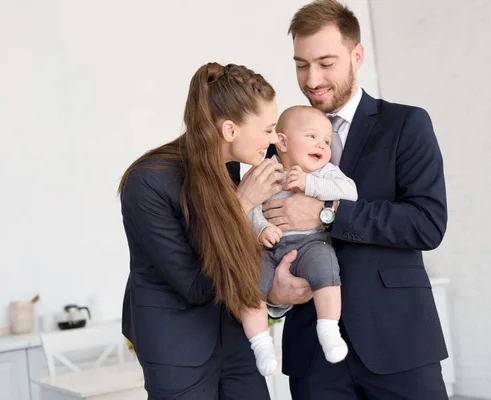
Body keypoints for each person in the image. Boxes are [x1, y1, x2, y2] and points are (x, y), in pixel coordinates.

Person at [263, 1, 450, 399]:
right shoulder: (278, 142)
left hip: (398, 344)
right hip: (313, 356)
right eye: (301, 64)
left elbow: (426, 223)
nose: (312, 79)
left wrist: (327, 213)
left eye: (326, 62)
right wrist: (272, 296)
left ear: (357, 55)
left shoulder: (406, 125)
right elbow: (258, 230)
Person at [118, 62, 294, 399]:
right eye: (268, 129)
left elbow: (240, 251)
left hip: (234, 334)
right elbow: (195, 285)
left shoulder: (228, 165)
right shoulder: (147, 182)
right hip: (176, 346)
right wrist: (239, 207)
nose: (274, 139)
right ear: (230, 130)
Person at [241, 105, 358, 376]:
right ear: (281, 141)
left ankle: (328, 328)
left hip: (311, 244)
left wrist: (309, 184)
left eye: (327, 141)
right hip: (269, 247)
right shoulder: (265, 171)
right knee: (249, 286)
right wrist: (260, 229)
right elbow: (250, 208)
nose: (322, 145)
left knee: (326, 268)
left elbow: (350, 193)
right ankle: (261, 343)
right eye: (312, 136)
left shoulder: (325, 172)